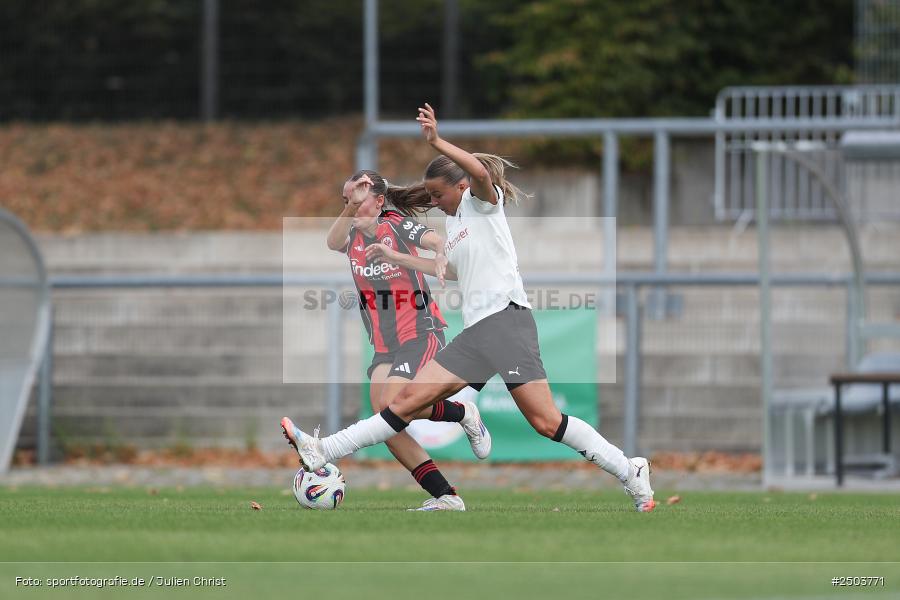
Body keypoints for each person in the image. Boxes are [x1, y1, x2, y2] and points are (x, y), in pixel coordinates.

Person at [282, 104, 654, 512]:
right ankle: (324, 448)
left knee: (546, 422)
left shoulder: (482, 204)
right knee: (403, 404)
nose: (434, 202)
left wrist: (437, 141)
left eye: (439, 195)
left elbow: (479, 172)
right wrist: (398, 256)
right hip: (477, 334)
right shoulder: (458, 223)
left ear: (461, 186)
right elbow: (456, 272)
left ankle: (629, 469)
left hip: (506, 324)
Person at [281, 170, 491, 512]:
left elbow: (434, 240)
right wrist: (352, 207)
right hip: (384, 344)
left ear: (380, 201)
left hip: (419, 332)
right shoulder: (351, 235)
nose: (351, 205)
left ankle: (462, 414)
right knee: (386, 421)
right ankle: (446, 495)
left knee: (393, 408)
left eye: (359, 198)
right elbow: (332, 242)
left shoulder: (395, 225)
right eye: (346, 200)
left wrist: (440, 253)